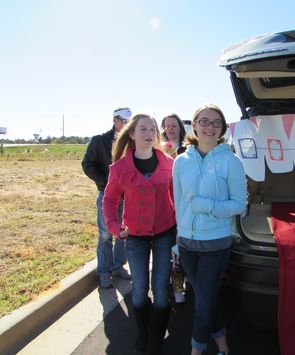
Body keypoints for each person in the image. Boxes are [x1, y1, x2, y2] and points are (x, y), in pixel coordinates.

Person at [172, 104, 247, 355]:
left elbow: (239, 204)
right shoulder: (181, 161)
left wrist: (207, 206)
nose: (210, 127)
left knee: (202, 302)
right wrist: (177, 237)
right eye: (204, 121)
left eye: (216, 123)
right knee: (206, 300)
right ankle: (224, 347)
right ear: (193, 125)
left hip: (215, 243)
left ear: (223, 128)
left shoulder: (231, 161)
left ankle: (196, 350)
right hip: (186, 244)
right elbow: (179, 201)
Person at [103, 113, 176, 355]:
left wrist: (182, 229)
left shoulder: (169, 163)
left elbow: (177, 197)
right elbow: (110, 200)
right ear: (132, 134)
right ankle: (143, 332)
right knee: (139, 289)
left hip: (165, 232)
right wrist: (115, 228)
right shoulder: (120, 168)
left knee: (162, 291)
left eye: (152, 129)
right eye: (142, 129)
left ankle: (156, 337)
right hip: (134, 235)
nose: (148, 133)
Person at [82, 107, 132, 289]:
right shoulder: (99, 141)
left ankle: (118, 267)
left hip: (127, 197)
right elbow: (87, 164)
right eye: (124, 120)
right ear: (115, 120)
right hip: (107, 196)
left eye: (129, 121)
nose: (127, 124)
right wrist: (105, 183)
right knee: (105, 236)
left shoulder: (131, 142)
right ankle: (104, 272)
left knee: (123, 234)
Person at [160, 113, 189, 304]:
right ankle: (177, 286)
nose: (170, 129)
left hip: (185, 204)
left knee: (184, 246)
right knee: (171, 250)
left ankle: (188, 280)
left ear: (180, 127)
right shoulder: (158, 148)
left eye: (173, 125)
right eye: (166, 126)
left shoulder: (188, 148)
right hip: (165, 203)